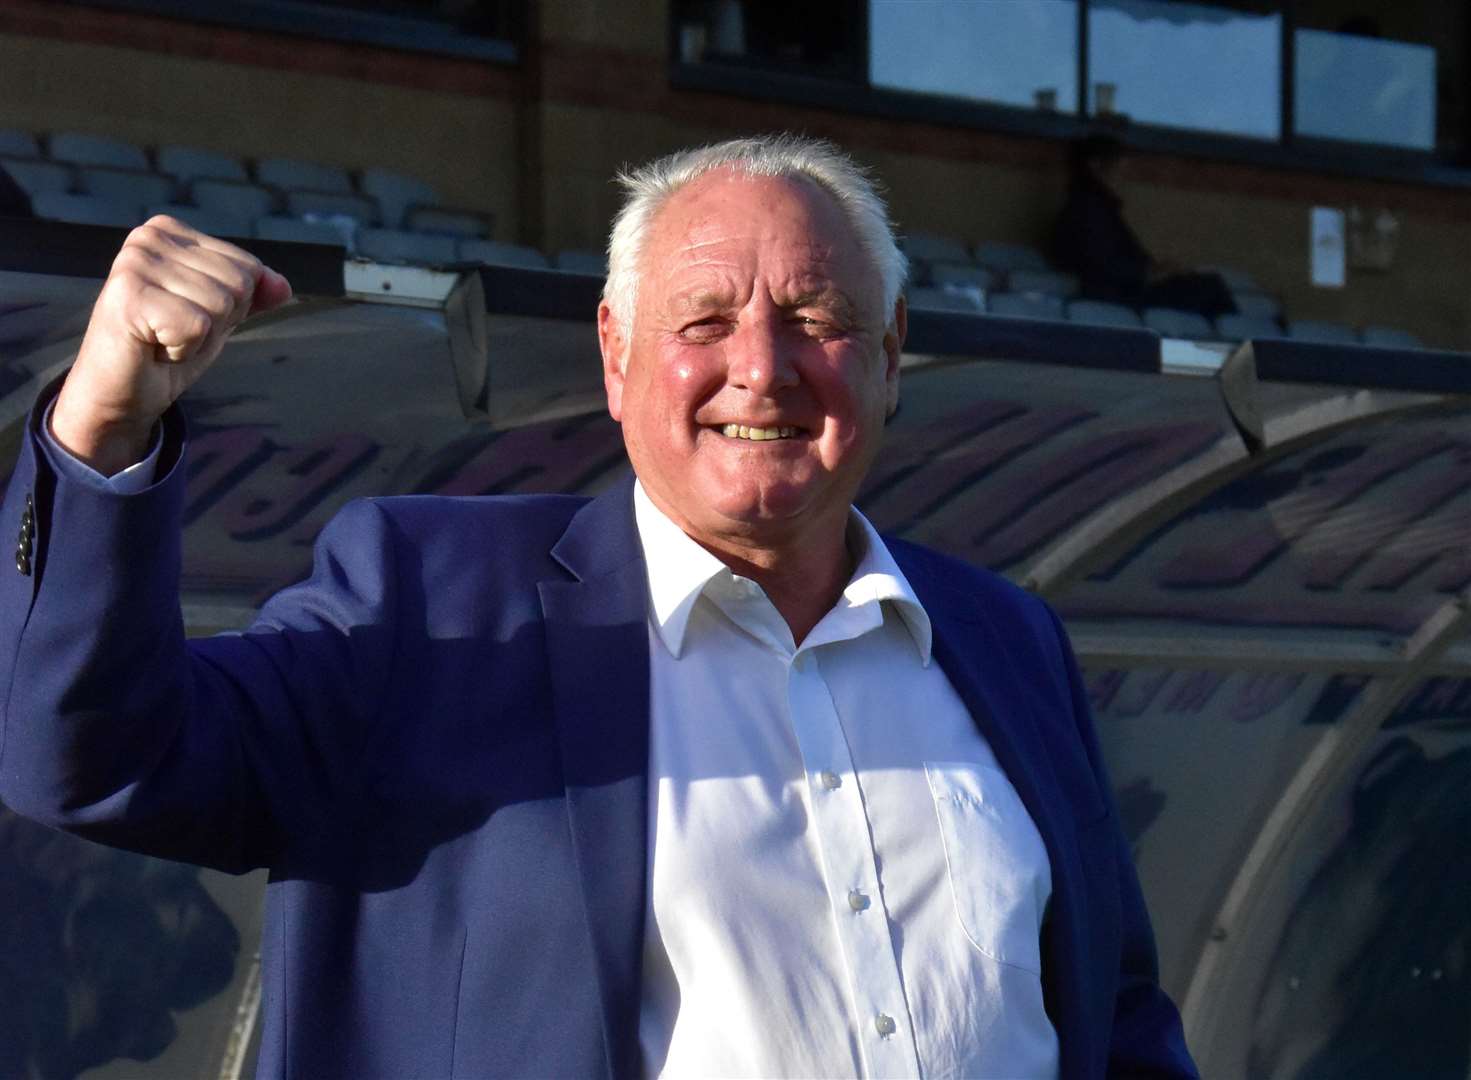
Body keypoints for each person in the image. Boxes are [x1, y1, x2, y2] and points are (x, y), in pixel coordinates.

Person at [0, 134, 1197, 1078]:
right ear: (615, 357)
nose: (764, 368)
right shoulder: (435, 609)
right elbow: (95, 759)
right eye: (706, 321)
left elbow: (1116, 1016)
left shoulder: (1005, 639)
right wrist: (104, 429)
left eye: (817, 321)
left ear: (889, 354)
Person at [1052, 135, 1237, 319]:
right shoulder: (1088, 212)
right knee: (1210, 287)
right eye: (1119, 171)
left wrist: (1158, 270)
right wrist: (1149, 274)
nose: (1123, 180)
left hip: (1126, 291)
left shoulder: (1101, 211)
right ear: (1095, 166)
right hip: (1116, 297)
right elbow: (1101, 267)